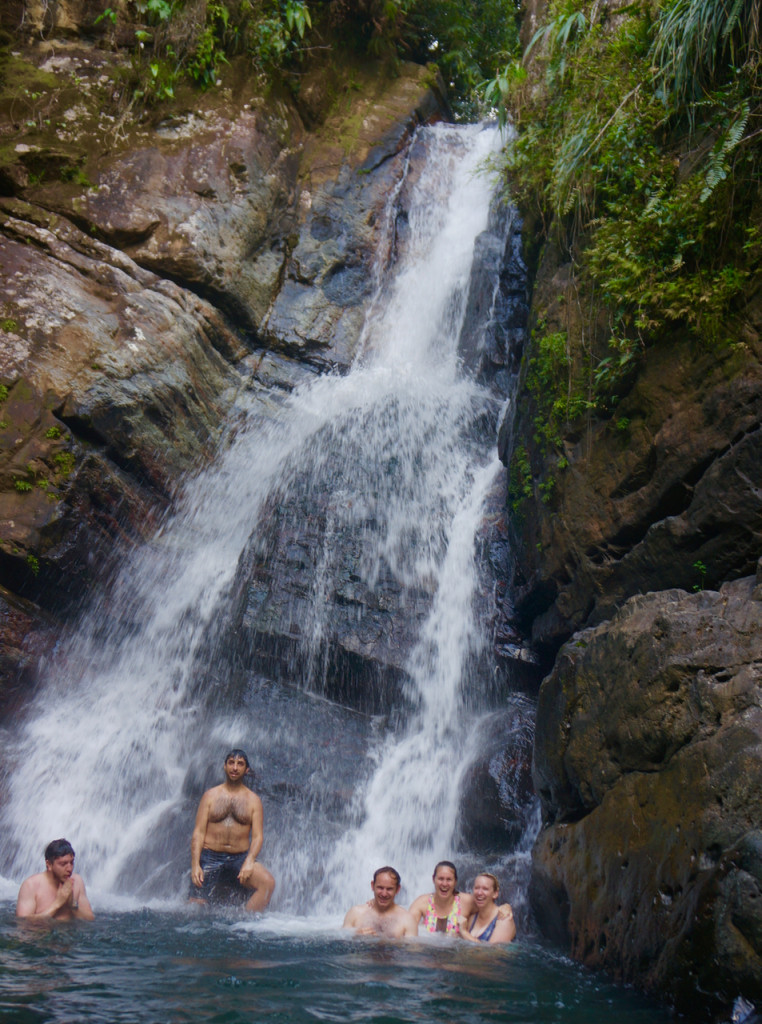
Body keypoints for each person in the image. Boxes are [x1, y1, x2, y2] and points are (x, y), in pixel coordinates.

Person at [190, 749, 275, 912]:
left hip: (239, 858)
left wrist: (250, 861)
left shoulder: (253, 801)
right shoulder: (210, 796)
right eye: (231, 763)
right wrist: (195, 865)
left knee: (268, 883)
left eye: (240, 764)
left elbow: (257, 837)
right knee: (194, 910)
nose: (235, 768)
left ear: (246, 770)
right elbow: (198, 833)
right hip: (210, 856)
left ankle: (245, 922)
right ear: (224, 766)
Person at [408, 860, 514, 936]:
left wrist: (505, 907)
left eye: (449, 879)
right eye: (440, 879)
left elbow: (488, 905)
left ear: (455, 882)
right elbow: (407, 931)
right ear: (433, 879)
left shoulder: (466, 901)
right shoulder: (421, 903)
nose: (444, 884)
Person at [16, 838, 95, 922]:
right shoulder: (31, 885)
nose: (69, 869)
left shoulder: (77, 882)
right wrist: (58, 903)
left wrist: (72, 906)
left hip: (69, 932)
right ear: (49, 864)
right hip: (42, 933)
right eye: (63, 864)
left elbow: (90, 918)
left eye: (71, 863)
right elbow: (23, 923)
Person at [343, 866, 419, 937]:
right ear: (372, 886)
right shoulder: (355, 913)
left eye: (389, 889)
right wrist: (355, 935)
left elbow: (412, 949)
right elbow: (343, 943)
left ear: (398, 889)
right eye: (380, 888)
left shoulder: (408, 920)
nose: (384, 894)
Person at [459, 871, 516, 944]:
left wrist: (464, 932)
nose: (479, 893)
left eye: (485, 889)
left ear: (495, 893)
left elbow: (491, 953)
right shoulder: (472, 918)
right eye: (477, 888)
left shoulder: (504, 918)